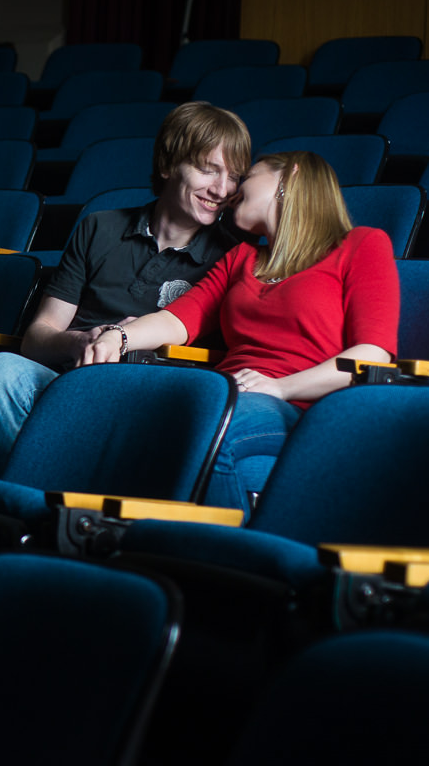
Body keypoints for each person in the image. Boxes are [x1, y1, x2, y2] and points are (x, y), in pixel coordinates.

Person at [80, 150, 400, 513]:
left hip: (303, 408)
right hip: (226, 396)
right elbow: (177, 320)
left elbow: (374, 354)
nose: (231, 192)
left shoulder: (360, 244)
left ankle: (220, 556)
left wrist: (281, 387)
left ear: (290, 176)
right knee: (131, 418)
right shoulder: (241, 258)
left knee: (201, 429)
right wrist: (118, 337)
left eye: (246, 177)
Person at [0, 101, 253, 469]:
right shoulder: (99, 227)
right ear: (167, 165)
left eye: (234, 177)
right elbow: (39, 336)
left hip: (150, 393)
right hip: (71, 373)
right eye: (208, 170)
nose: (222, 190)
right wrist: (80, 341)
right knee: (5, 369)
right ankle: (0, 499)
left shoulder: (231, 256)